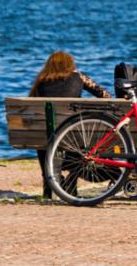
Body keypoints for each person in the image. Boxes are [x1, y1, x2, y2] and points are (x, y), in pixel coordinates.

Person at [30, 51, 111, 196]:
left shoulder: (41, 81)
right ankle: (72, 180)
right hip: (74, 135)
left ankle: (48, 182)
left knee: (44, 138)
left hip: (49, 137)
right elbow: (105, 95)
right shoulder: (78, 77)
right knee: (81, 138)